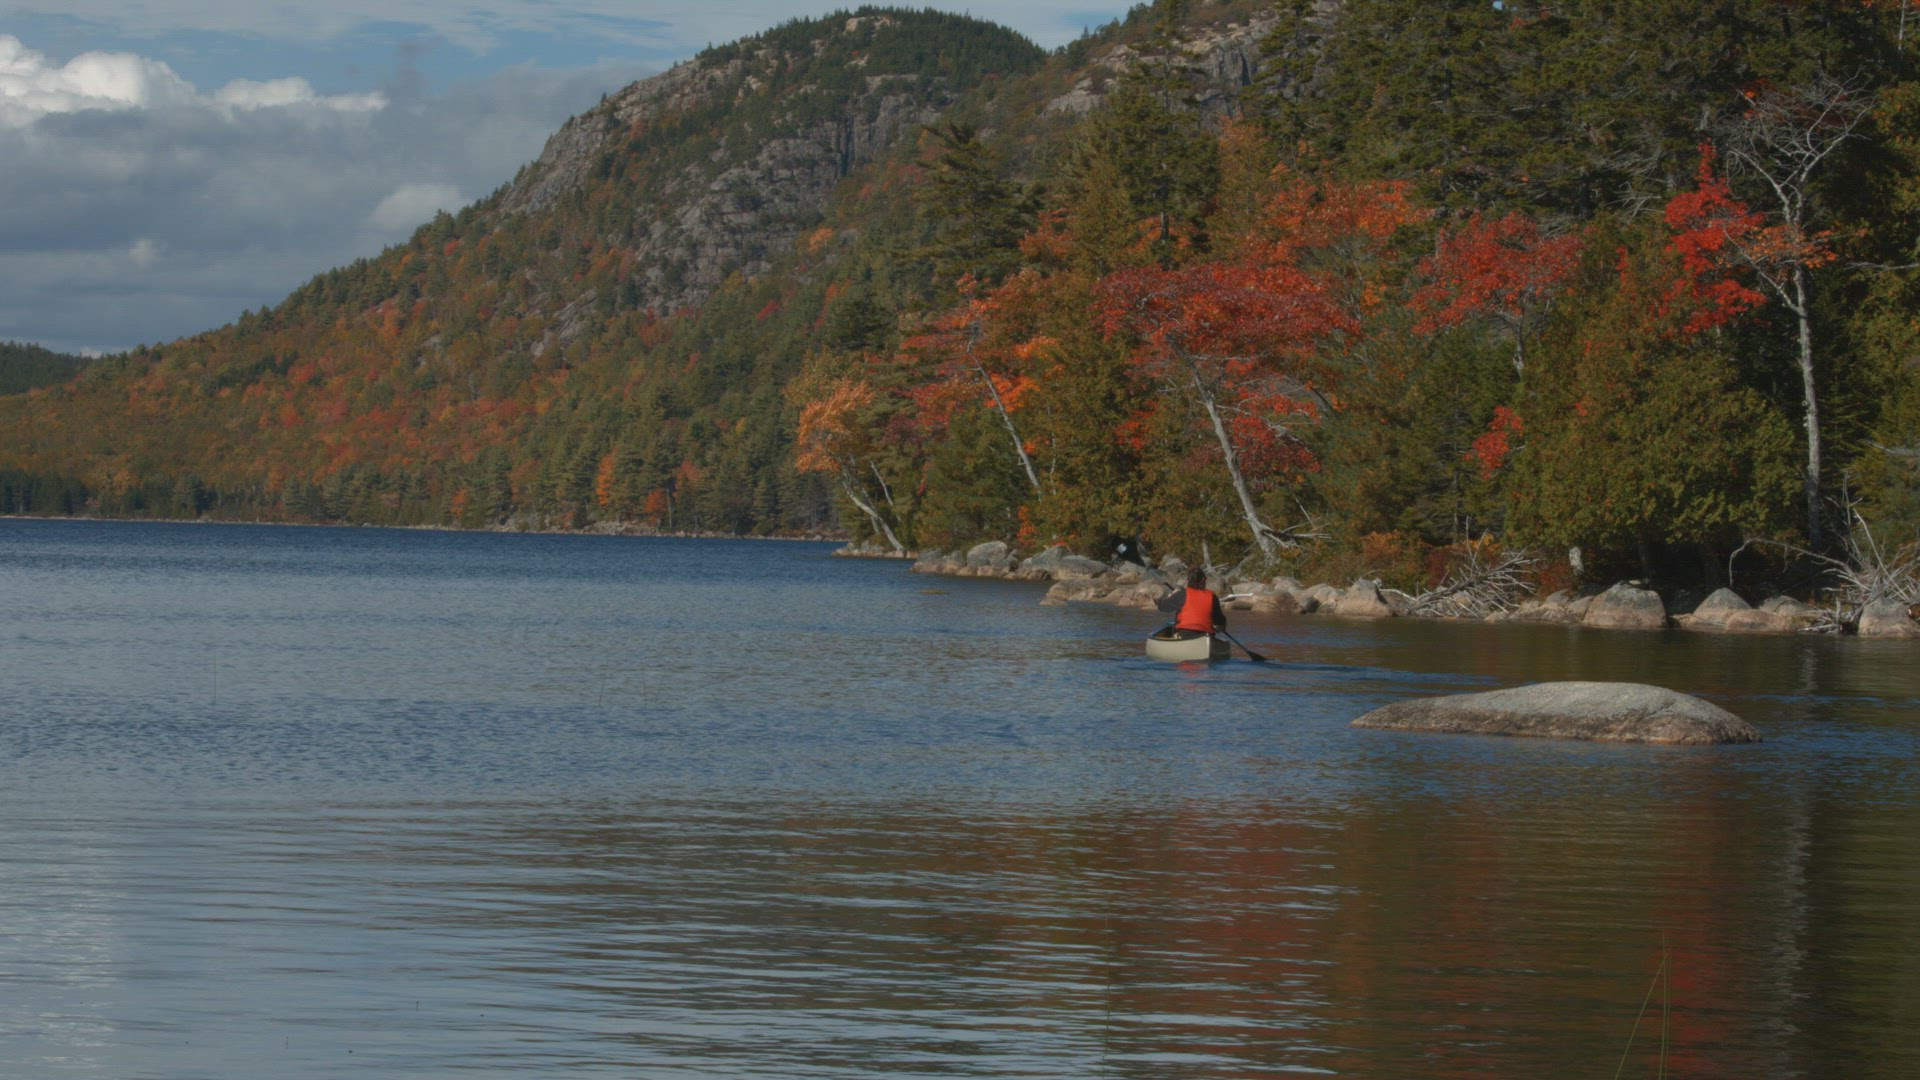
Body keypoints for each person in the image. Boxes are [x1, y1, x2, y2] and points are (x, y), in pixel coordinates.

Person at [1156, 567, 1226, 638]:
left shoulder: (1181, 595)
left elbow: (1162, 607)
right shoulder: (1212, 597)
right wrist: (1220, 627)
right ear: (1203, 580)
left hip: (1185, 634)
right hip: (1206, 635)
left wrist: (1171, 595)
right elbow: (1220, 621)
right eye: (1205, 579)